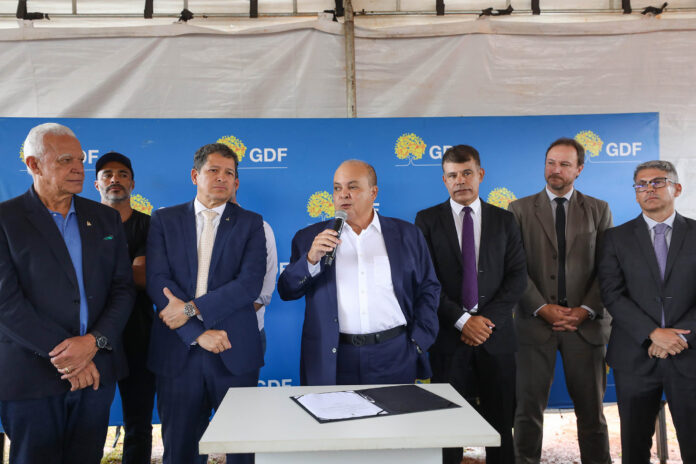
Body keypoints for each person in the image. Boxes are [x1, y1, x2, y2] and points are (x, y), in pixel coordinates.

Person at [0, 123, 134, 463]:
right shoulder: (5, 220)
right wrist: (70, 358)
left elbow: (122, 289)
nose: (78, 168)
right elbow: (6, 304)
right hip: (32, 376)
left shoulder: (105, 219)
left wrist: (92, 343)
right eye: (65, 160)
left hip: (97, 370)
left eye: (80, 160)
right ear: (33, 164)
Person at [146, 143, 266, 464]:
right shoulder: (164, 219)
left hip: (233, 351)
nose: (222, 178)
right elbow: (157, 280)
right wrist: (197, 334)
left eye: (229, 173)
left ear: (236, 182)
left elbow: (249, 284)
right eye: (213, 170)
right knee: (180, 451)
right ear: (195, 175)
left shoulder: (251, 223)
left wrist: (190, 310)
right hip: (177, 351)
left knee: (241, 451)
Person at [278, 160, 440, 386]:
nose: (343, 194)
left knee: (394, 411)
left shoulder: (407, 235)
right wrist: (311, 259)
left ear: (373, 193)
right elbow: (286, 290)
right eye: (337, 188)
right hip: (333, 359)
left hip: (395, 355)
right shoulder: (308, 238)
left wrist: (419, 341)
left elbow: (428, 288)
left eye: (352, 187)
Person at [415, 145, 527, 464]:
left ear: (480, 174)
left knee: (501, 428)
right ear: (444, 180)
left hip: (496, 337)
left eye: (467, 173)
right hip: (448, 340)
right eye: (452, 175)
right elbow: (425, 280)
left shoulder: (505, 220)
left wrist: (485, 322)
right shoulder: (427, 220)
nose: (460, 181)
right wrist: (464, 321)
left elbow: (517, 277)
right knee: (447, 429)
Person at [508, 138, 612, 464]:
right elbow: (514, 267)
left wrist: (585, 310)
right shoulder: (519, 210)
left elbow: (609, 268)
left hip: (585, 327)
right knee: (527, 413)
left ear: (579, 169)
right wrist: (542, 308)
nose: (556, 170)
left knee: (592, 414)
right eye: (551, 162)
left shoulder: (599, 209)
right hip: (534, 325)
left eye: (565, 164)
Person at [599, 160, 696, 464]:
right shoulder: (615, 238)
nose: (649, 189)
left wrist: (678, 337)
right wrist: (653, 333)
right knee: (634, 447)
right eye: (641, 184)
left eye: (658, 182)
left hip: (689, 355)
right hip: (635, 356)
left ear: (676, 188)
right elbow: (612, 294)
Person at [94, 151, 155, 464]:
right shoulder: (83, 223)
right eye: (107, 174)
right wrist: (126, 270)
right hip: (92, 336)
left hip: (138, 334)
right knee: (89, 422)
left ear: (132, 183)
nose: (114, 179)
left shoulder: (149, 225)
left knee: (138, 424)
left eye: (122, 174)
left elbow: (143, 277)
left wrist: (98, 274)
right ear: (96, 183)